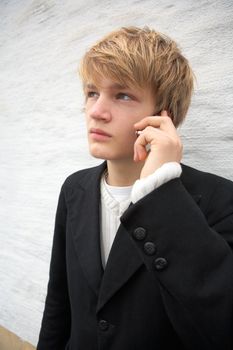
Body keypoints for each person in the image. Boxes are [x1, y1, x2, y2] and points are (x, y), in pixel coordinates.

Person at [37, 26, 233, 350]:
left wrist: (160, 192)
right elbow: (59, 303)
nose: (96, 112)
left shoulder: (221, 202)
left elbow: (221, 327)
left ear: (161, 117)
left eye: (122, 95)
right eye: (91, 93)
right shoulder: (74, 189)